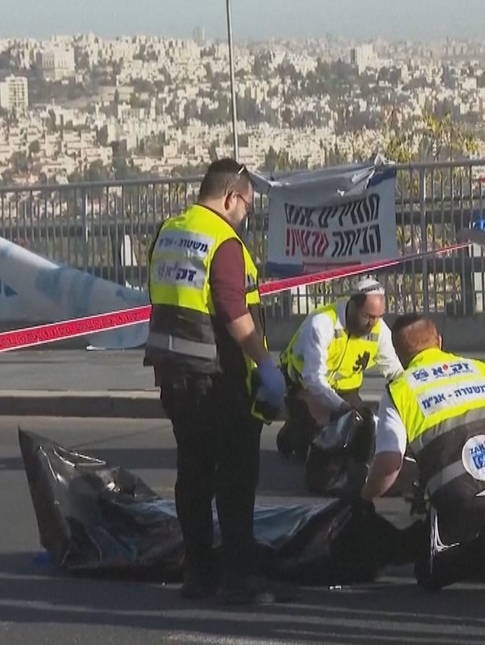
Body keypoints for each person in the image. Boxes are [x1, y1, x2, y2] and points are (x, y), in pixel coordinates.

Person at [145, 158, 296, 605]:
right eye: (247, 205)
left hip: (174, 374)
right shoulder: (224, 242)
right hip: (218, 379)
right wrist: (265, 365)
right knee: (234, 481)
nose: (246, 215)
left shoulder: (170, 231)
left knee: (192, 475)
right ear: (232, 197)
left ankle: (198, 573)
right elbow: (234, 311)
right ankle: (239, 579)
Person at [356, 313, 485, 595]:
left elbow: (389, 465)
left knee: (429, 572)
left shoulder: (400, 390)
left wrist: (364, 496)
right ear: (439, 341)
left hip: (461, 491)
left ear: (401, 356)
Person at [276, 277, 404, 460]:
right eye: (367, 316)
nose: (373, 323)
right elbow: (314, 379)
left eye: (378, 317)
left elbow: (396, 372)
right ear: (352, 306)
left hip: (345, 389)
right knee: (320, 435)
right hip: (304, 386)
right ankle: (291, 433)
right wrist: (340, 407)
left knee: (361, 428)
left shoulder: (380, 330)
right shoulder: (322, 323)